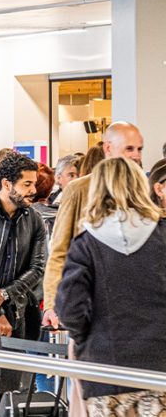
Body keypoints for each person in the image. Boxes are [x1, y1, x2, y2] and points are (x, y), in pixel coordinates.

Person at [56, 157, 166, 417]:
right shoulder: (162, 236)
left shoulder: (87, 244)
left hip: (106, 370)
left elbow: (70, 308)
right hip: (160, 367)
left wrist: (88, 341)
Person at [43, 121, 144, 329]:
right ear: (108, 148)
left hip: (132, 309)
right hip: (88, 305)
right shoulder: (78, 190)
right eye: (129, 148)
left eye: (139, 149)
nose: (136, 155)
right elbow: (59, 250)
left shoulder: (142, 191)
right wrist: (52, 304)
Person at [0, 151, 47, 396]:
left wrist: (5, 295)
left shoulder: (35, 219)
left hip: (15, 314)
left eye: (34, 183)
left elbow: (37, 268)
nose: (33, 190)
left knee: (7, 391)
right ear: (7, 184)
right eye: (26, 184)